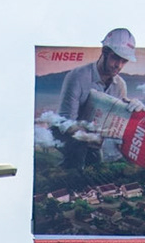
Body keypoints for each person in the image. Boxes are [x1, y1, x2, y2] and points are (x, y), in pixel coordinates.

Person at [55, 27, 140, 168]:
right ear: (104, 52)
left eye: (124, 61)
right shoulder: (77, 77)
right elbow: (65, 122)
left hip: (96, 137)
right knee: (78, 156)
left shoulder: (120, 85)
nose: (119, 65)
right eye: (115, 57)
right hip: (71, 137)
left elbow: (114, 123)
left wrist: (130, 113)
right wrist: (96, 139)